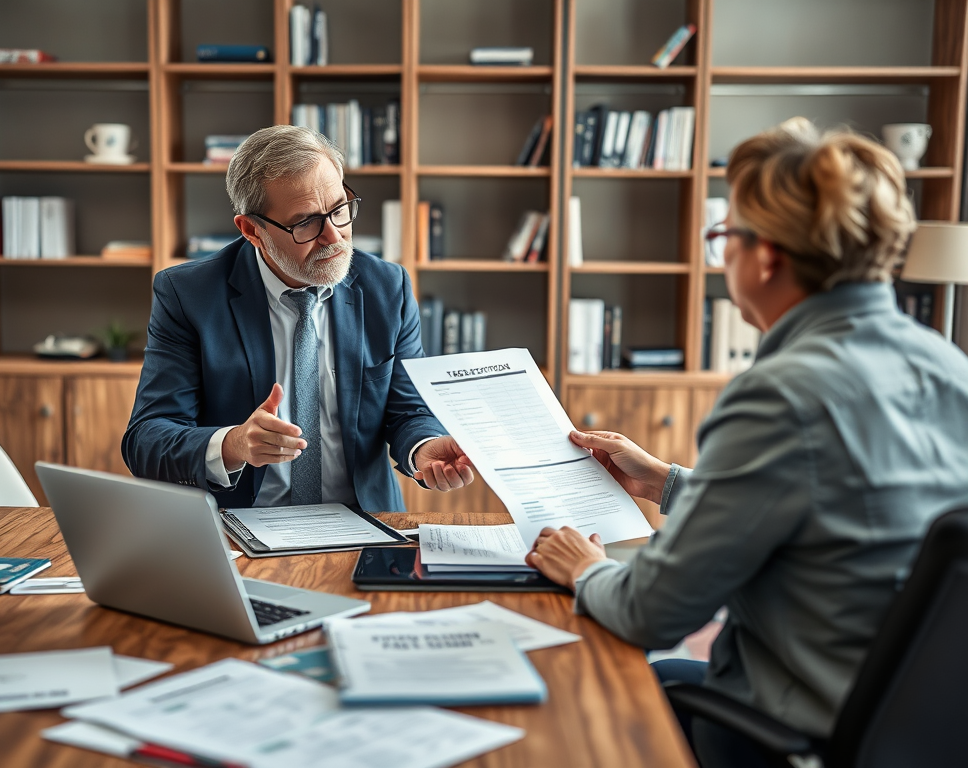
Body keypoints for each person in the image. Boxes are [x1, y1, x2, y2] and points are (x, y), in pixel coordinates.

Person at [525, 118, 968, 767]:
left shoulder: (780, 395)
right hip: (918, 730)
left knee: (606, 696)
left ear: (766, 256)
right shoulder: (950, 368)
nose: (722, 252)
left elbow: (653, 613)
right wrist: (666, 483)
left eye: (724, 235)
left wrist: (584, 567)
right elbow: (830, 508)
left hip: (801, 734)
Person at [122, 125, 473, 511]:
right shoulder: (188, 295)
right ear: (252, 230)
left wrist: (423, 447)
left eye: (339, 210)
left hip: (364, 522)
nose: (335, 237)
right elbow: (146, 441)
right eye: (306, 222)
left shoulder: (387, 287)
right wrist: (234, 444)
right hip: (240, 526)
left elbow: (408, 410)